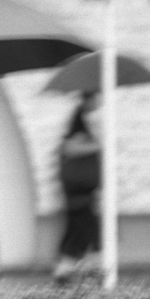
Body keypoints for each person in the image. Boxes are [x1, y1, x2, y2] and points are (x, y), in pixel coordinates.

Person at [54, 95, 101, 282]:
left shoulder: (84, 118)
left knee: (79, 228)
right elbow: (70, 148)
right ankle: (71, 269)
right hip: (78, 190)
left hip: (80, 189)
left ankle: (64, 269)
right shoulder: (80, 118)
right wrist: (98, 145)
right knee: (85, 226)